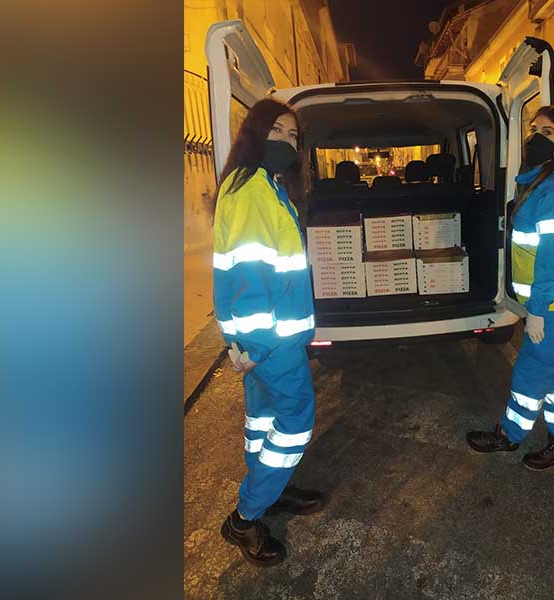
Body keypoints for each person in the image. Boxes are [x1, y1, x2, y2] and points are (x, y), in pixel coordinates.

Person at [211, 98, 325, 567]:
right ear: (256, 133)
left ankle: (268, 488)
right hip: (270, 343)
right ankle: (246, 517)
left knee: (262, 421)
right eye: (277, 131)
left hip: (261, 342)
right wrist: (254, 345)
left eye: (293, 136)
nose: (287, 141)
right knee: (295, 422)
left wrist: (245, 346)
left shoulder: (260, 185)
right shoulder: (255, 191)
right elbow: (251, 273)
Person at [466, 106, 554, 470]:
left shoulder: (552, 191)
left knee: (530, 372)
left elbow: (552, 261)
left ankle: (509, 435)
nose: (535, 136)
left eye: (548, 133)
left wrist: (536, 310)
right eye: (534, 128)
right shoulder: (537, 182)